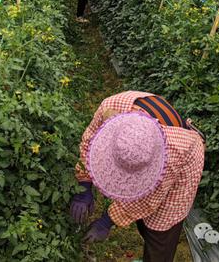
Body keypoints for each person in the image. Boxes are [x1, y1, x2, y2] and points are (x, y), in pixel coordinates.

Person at [70, 91, 205, 262]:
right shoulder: (111, 108)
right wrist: (84, 184)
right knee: (142, 219)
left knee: (160, 230)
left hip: (184, 161)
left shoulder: (171, 154)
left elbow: (146, 200)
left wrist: (107, 221)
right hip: (164, 150)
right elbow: (89, 142)